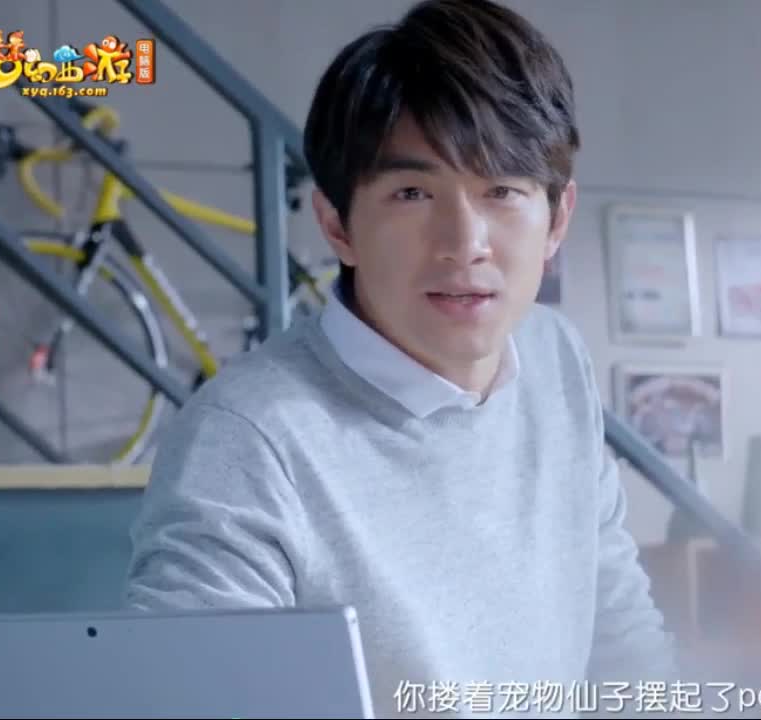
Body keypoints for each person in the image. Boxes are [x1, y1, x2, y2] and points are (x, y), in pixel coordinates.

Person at [122, 0, 679, 714]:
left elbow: (619, 629)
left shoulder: (554, 357)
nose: (465, 244)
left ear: (557, 218)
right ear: (337, 225)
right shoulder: (250, 437)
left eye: (502, 191)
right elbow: (188, 695)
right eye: (412, 193)